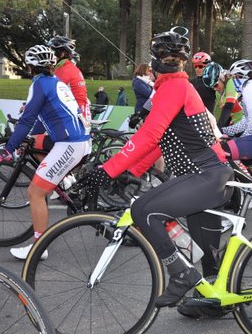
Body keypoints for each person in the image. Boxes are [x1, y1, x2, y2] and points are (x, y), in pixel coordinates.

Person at [79, 27, 233, 308]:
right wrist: (130, 170)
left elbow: (149, 134)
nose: (169, 61)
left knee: (143, 211)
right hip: (207, 175)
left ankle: (182, 275)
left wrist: (106, 170)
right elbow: (157, 141)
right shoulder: (171, 87)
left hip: (204, 175)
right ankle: (214, 302)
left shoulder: (174, 87)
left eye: (173, 57)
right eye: (166, 56)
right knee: (209, 257)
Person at [0, 45, 91, 260]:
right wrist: (25, 139)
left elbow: (27, 120)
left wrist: (7, 149)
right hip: (75, 139)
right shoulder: (55, 82)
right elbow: (39, 120)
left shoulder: (39, 84)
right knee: (32, 143)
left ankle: (39, 247)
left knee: (35, 192)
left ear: (30, 67)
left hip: (69, 143)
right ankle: (61, 182)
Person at [48, 36, 91, 122]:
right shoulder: (69, 67)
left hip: (74, 116)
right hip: (80, 112)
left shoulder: (63, 70)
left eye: (52, 52)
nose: (49, 56)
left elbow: (47, 93)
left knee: (40, 133)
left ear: (62, 54)